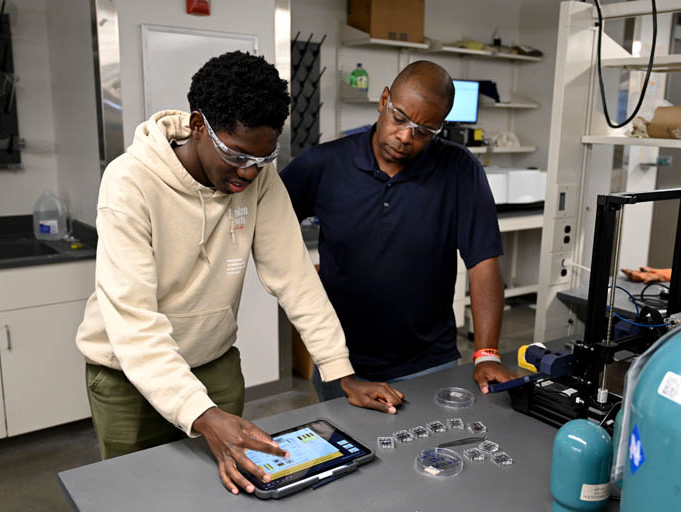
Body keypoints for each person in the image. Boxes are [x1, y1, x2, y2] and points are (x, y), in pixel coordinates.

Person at [75, 51, 402, 496]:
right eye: (235, 154)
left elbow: (296, 279)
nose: (247, 172)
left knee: (226, 492)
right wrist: (202, 415)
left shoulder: (258, 180)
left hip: (214, 363)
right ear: (196, 125)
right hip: (127, 376)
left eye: (264, 157)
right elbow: (132, 321)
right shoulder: (129, 182)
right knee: (141, 496)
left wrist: (339, 371)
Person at [280, 60, 517, 402]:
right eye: (400, 118)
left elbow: (483, 261)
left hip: (428, 361)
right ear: (384, 100)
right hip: (342, 364)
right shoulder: (323, 164)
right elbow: (267, 228)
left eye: (424, 130)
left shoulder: (460, 170)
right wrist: (300, 276)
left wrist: (487, 353)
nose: (406, 137)